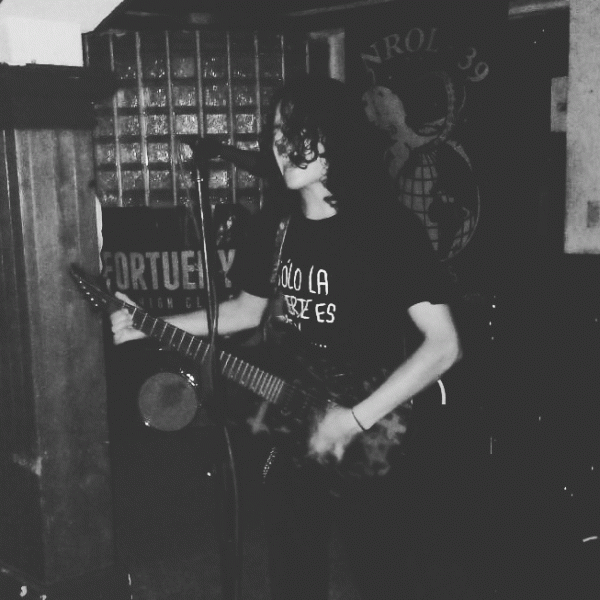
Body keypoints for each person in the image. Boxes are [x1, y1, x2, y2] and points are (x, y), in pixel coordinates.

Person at [111, 74, 462, 600]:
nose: (281, 145)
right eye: (276, 133)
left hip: (379, 428)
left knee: (386, 575)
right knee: (293, 570)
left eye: (298, 131)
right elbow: (244, 312)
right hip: (298, 420)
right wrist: (148, 323)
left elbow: (444, 344)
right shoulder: (275, 226)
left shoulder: (386, 229)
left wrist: (353, 419)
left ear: (337, 137)